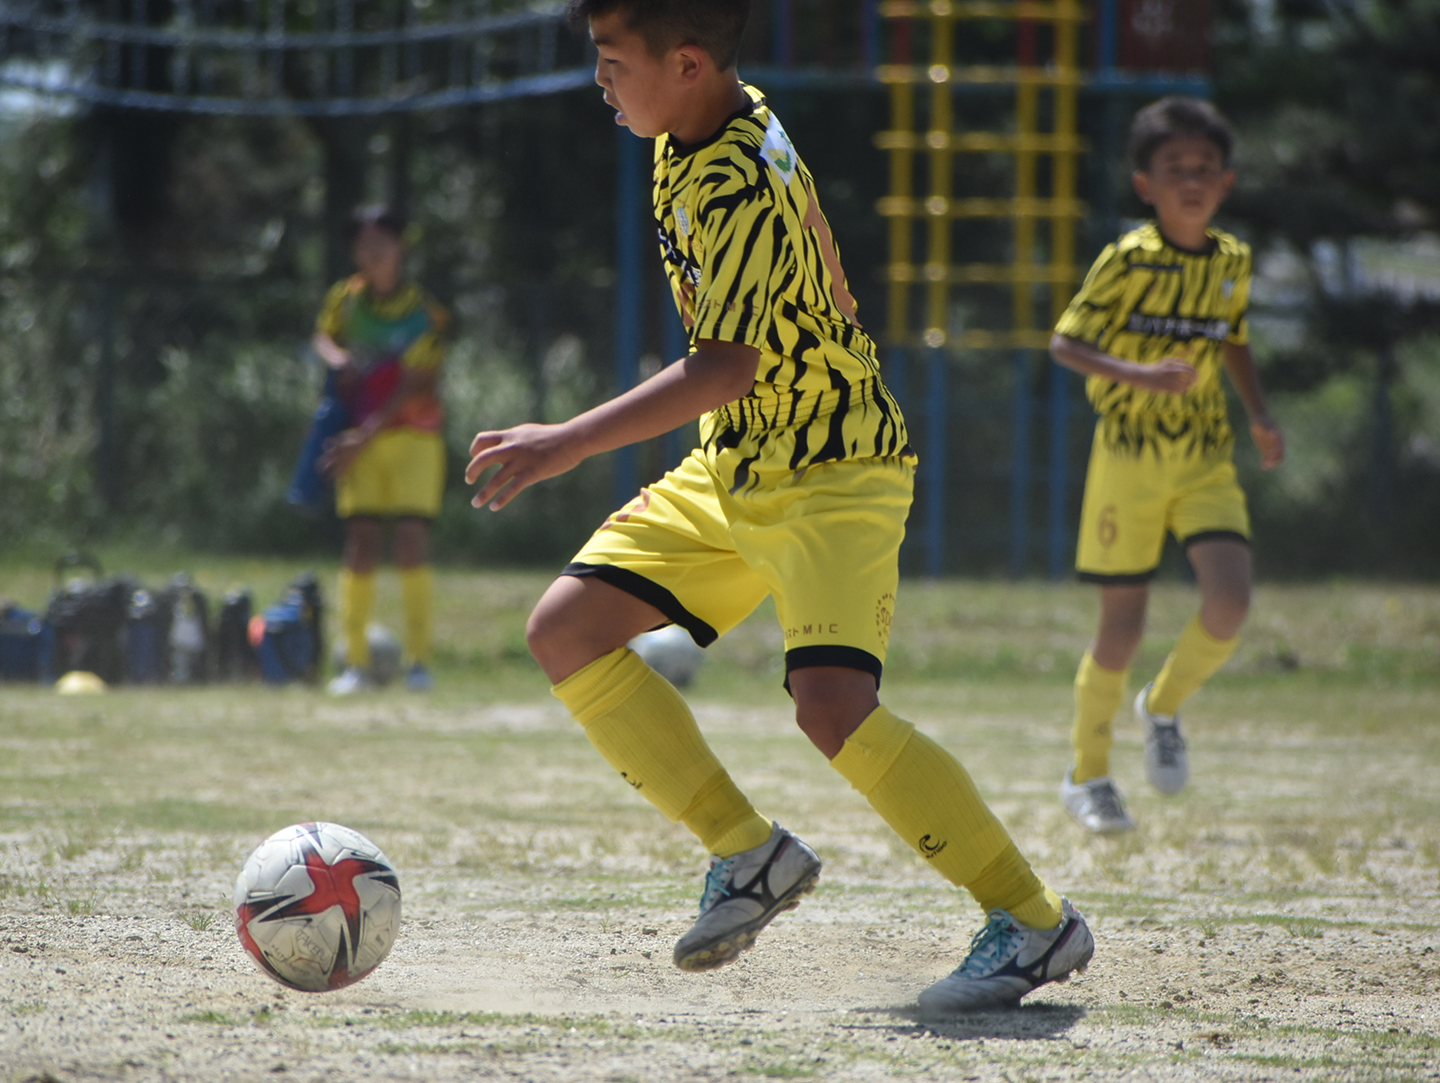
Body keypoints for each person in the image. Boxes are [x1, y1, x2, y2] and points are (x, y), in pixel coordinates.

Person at [465, 0, 1093, 1015]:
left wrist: (565, 441)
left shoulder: (734, 179)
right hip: (744, 461)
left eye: (610, 60)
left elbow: (725, 365)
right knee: (569, 630)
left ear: (682, 62)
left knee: (832, 709)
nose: (600, 81)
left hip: (834, 469)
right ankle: (749, 856)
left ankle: (1032, 919)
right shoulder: (705, 122)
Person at [1050, 97, 1285, 835]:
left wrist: (1259, 412)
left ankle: (1162, 704)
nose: (1192, 178)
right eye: (1175, 168)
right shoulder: (1128, 260)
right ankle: (1087, 773)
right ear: (1146, 183)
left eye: (1205, 168)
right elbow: (1066, 342)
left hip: (1206, 458)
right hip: (1129, 460)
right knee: (1121, 625)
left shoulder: (1233, 261)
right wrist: (1140, 374)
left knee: (1230, 603)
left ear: (1227, 182)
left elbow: (1234, 337)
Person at [305, 205, 449, 694]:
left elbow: (414, 382)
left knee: (410, 540)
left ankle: (419, 662)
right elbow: (323, 336)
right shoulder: (344, 301)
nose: (373, 252)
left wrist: (360, 438)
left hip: (412, 437)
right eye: (364, 244)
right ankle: (354, 665)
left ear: (400, 246)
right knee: (361, 541)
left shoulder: (423, 311)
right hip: (357, 438)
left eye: (382, 242)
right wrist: (337, 356)